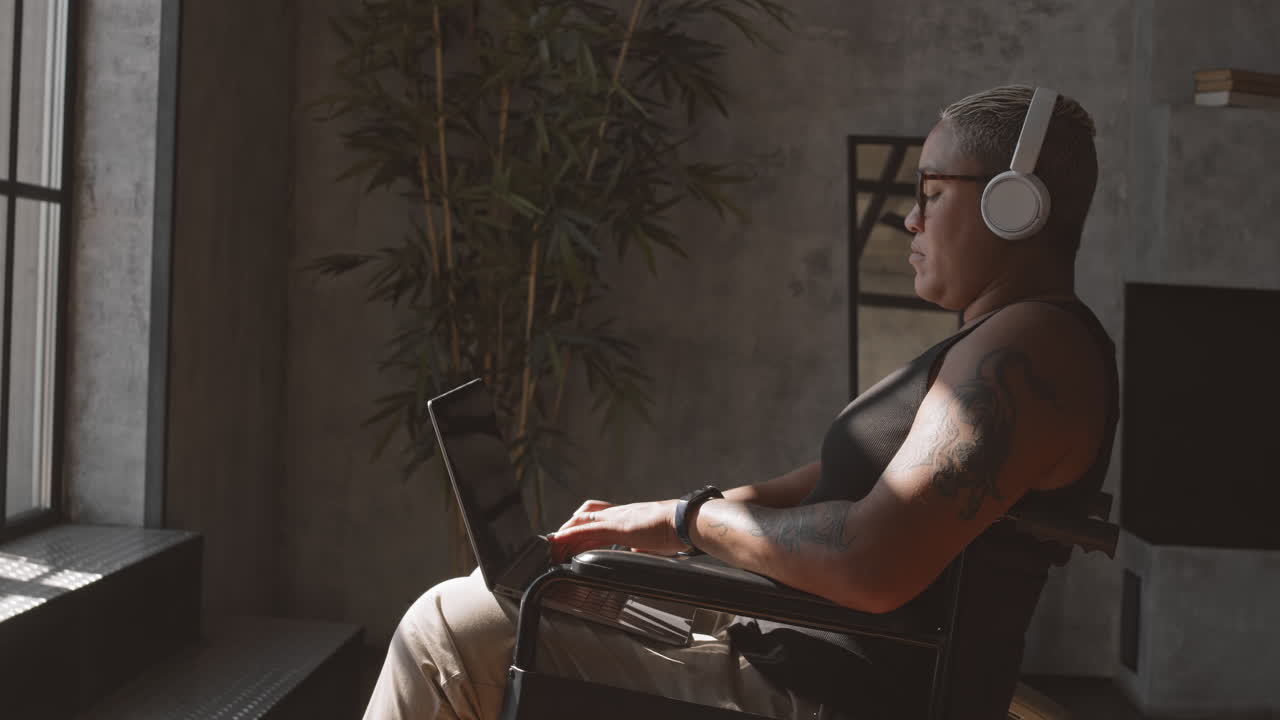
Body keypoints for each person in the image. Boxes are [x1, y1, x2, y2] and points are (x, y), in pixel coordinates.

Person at [363, 84, 1118, 720]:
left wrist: (693, 521)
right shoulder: (999, 341)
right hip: (786, 646)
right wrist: (662, 522)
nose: (910, 218)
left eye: (929, 191)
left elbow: (869, 562)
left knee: (449, 628)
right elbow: (830, 484)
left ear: (1013, 205)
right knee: (524, 598)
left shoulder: (1033, 348)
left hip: (819, 691)